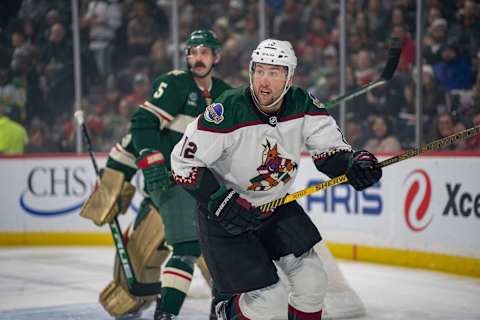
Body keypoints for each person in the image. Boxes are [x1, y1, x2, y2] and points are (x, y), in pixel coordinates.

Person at [170, 39, 382, 319]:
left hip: (276, 207)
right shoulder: (227, 110)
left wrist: (354, 164)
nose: (264, 81)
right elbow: (182, 162)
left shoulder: (303, 104)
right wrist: (219, 199)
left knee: (313, 281)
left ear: (289, 77)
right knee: (269, 301)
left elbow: (330, 154)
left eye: (274, 72)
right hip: (227, 217)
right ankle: (225, 311)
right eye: (259, 71)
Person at [130, 30, 231, 320]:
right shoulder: (175, 84)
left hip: (202, 182)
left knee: (222, 247)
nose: (198, 58)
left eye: (204, 52)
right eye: (193, 52)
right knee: (188, 247)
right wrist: (151, 162)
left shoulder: (225, 93)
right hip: (170, 179)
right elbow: (142, 122)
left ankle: (223, 306)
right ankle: (166, 313)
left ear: (216, 56)